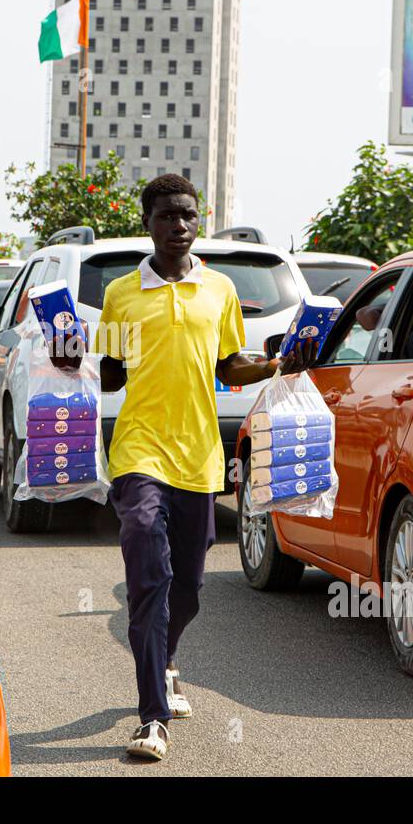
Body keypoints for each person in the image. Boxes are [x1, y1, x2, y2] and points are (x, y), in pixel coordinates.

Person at [51, 173, 313, 761]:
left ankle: (167, 658)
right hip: (140, 450)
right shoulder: (121, 293)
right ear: (148, 222)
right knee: (149, 574)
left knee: (189, 589)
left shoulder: (219, 290)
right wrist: (73, 357)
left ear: (200, 221)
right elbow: (113, 373)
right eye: (167, 216)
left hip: (199, 455)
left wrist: (277, 363)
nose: (180, 226)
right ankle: (152, 718)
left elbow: (230, 364)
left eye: (189, 216)